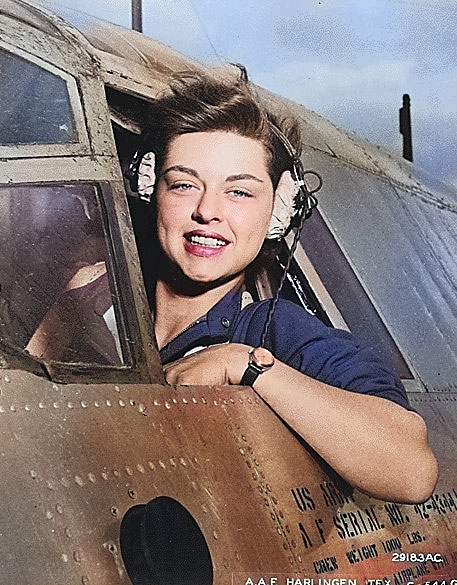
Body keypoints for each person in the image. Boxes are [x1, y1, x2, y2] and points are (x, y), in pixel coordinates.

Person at [129, 73, 438, 504]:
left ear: (279, 210)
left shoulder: (272, 331)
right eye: (183, 184)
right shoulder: (98, 302)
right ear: (150, 188)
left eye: (239, 192)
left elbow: (412, 471)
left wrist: (246, 365)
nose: (207, 211)